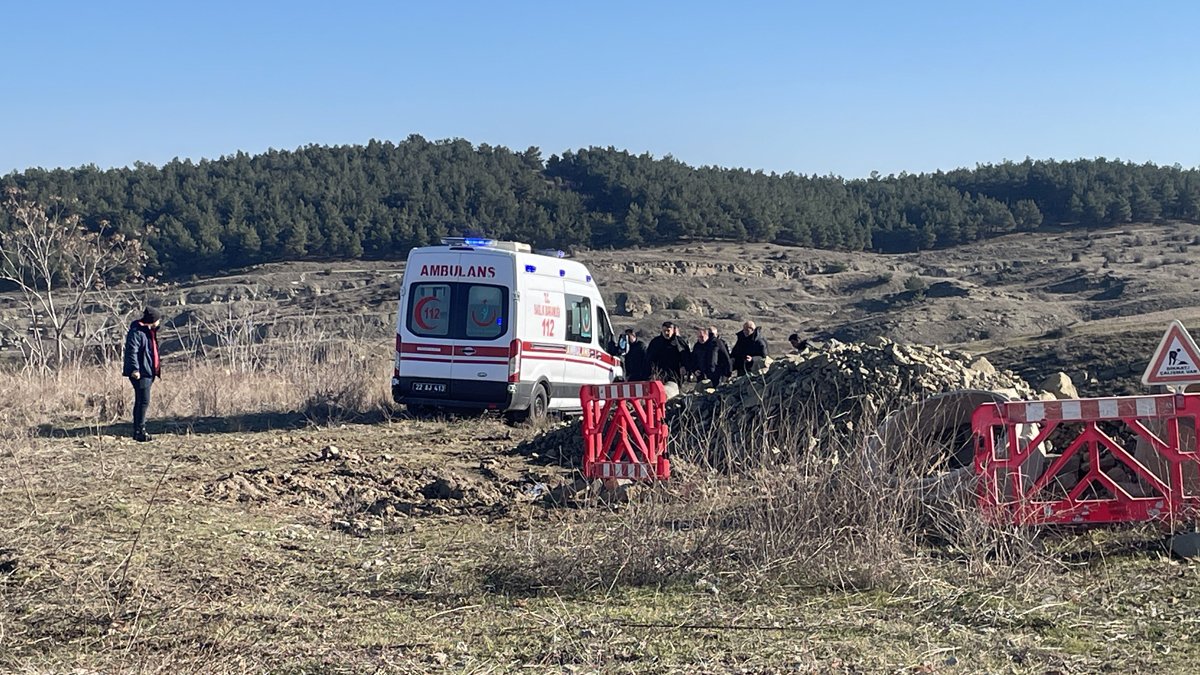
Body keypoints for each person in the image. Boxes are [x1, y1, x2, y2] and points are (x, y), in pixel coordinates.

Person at [123, 307, 162, 442]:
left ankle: (139, 430)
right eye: (158, 319)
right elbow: (131, 351)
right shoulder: (137, 332)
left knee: (142, 401)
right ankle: (140, 430)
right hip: (141, 373)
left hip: (148, 371)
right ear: (152, 320)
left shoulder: (148, 331)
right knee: (143, 401)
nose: (159, 322)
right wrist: (135, 369)